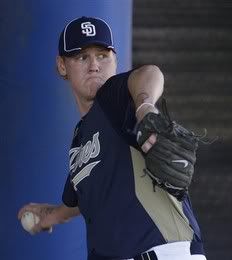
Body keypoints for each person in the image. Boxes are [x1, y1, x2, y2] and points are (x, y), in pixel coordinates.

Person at [18, 16, 207, 260]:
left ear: (115, 61)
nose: (94, 65)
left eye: (103, 55)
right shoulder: (80, 139)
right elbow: (82, 196)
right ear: (62, 66)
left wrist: (145, 104)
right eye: (82, 56)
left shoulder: (115, 99)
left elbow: (150, 72)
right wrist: (52, 215)